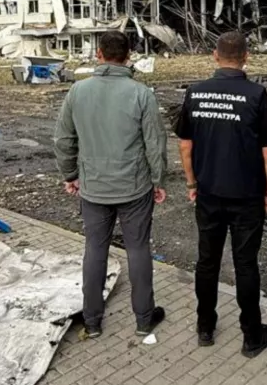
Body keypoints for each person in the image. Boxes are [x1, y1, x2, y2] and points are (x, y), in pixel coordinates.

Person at [175, 31, 267, 357]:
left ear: (215, 56)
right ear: (246, 57)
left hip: (208, 193)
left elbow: (185, 146)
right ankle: (252, 335)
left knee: (207, 262)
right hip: (247, 195)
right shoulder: (257, 95)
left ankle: (205, 327)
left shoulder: (195, 93)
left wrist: (192, 183)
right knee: (245, 264)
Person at [54, 30, 169, 338]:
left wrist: (70, 175)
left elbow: (63, 139)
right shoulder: (141, 93)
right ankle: (144, 319)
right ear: (128, 56)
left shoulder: (77, 91)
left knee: (95, 250)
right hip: (134, 187)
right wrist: (158, 180)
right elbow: (155, 143)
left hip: (93, 187)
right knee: (138, 249)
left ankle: (92, 322)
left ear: (99, 55)